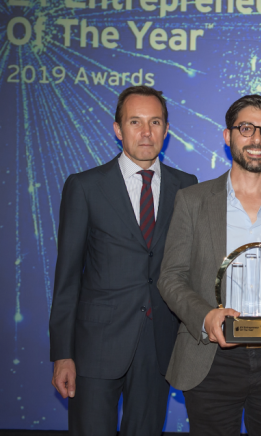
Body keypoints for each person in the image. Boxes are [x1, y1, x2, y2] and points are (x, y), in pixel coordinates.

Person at [157, 95, 261, 436]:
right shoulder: (192, 201)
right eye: (246, 128)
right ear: (227, 135)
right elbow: (171, 277)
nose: (257, 139)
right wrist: (206, 316)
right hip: (211, 357)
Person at [49, 86, 198, 434]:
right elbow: (67, 276)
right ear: (118, 129)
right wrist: (62, 353)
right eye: (135, 121)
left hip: (159, 346)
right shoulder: (85, 187)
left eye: (155, 121)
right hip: (95, 346)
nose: (146, 132)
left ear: (166, 129)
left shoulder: (187, 187)